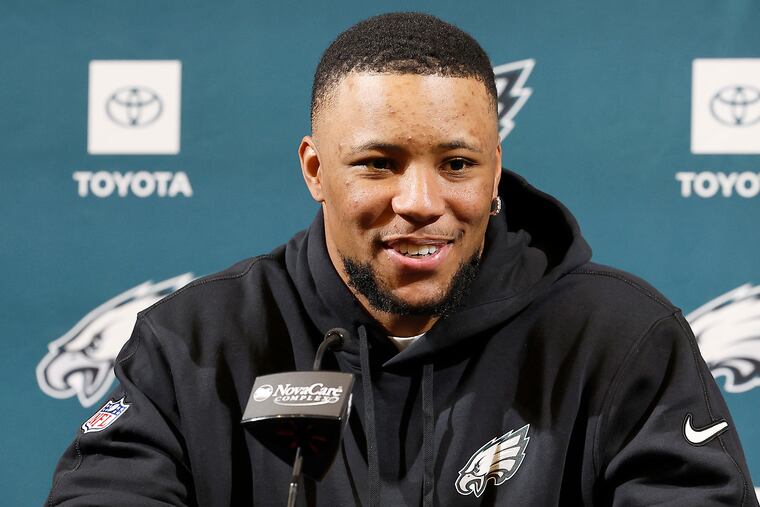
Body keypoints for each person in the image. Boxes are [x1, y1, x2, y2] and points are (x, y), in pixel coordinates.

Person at [47, 12, 757, 507]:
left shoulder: (623, 338)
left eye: (456, 164)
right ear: (315, 170)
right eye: (378, 163)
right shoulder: (191, 344)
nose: (420, 202)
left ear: (495, 167)